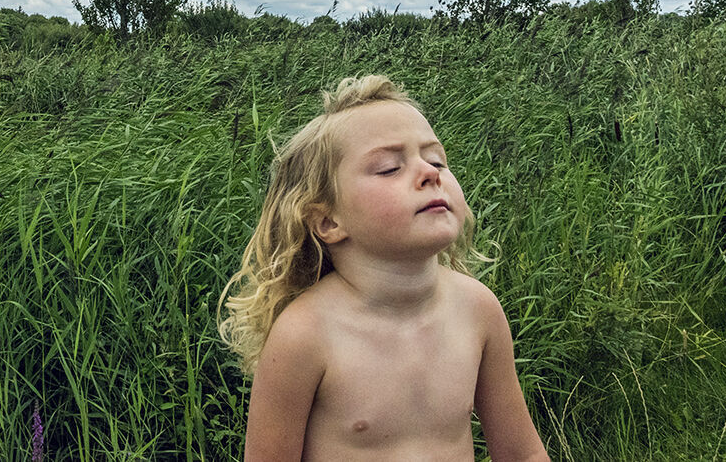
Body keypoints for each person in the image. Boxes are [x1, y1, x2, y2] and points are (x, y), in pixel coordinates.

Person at [220, 75, 549, 462]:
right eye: (389, 168)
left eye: (436, 159)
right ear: (327, 221)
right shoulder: (305, 335)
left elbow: (522, 454)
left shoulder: (478, 309)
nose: (430, 173)